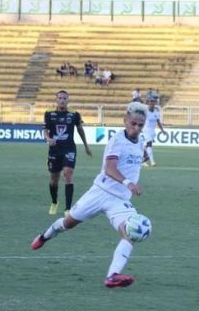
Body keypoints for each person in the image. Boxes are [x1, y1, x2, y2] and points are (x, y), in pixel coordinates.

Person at [31, 102, 150, 288]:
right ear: (125, 120)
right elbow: (110, 169)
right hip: (100, 193)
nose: (136, 128)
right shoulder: (117, 141)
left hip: (120, 200)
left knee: (130, 234)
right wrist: (129, 183)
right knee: (68, 223)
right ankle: (44, 236)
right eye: (133, 123)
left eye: (140, 125)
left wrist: (143, 157)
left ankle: (112, 276)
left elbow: (137, 154)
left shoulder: (140, 141)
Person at [43, 90, 92, 216]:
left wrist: (86, 146)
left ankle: (68, 209)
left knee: (68, 174)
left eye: (65, 98)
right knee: (54, 179)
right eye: (60, 98)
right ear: (56, 99)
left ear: (68, 100)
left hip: (69, 148)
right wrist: (48, 139)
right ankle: (54, 202)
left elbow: (80, 129)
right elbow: (45, 130)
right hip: (54, 150)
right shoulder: (49, 113)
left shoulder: (74, 114)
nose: (62, 100)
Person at [142, 96, 165, 167]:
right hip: (146, 130)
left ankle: (143, 160)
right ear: (148, 103)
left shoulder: (156, 112)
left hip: (152, 131)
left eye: (153, 102)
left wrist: (162, 130)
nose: (152, 104)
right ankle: (152, 161)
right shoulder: (145, 112)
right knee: (149, 145)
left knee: (147, 146)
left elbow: (158, 122)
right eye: (150, 102)